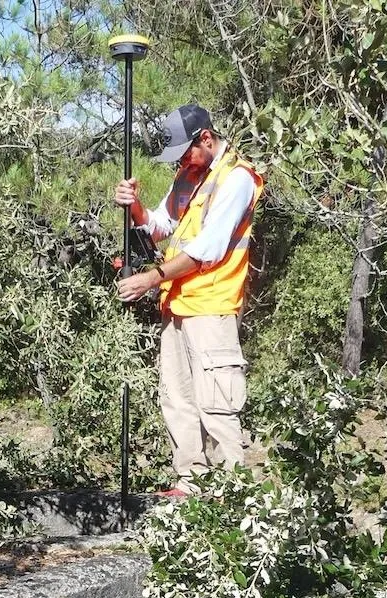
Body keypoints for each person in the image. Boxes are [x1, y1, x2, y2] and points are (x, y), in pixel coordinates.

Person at [114, 104, 265, 496]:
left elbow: (207, 249)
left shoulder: (237, 178)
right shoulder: (189, 174)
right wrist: (134, 206)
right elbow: (159, 226)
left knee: (216, 407)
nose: (181, 162)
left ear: (206, 139)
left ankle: (231, 497)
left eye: (184, 153)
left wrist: (150, 278)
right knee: (177, 400)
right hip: (176, 305)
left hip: (212, 308)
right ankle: (190, 486)